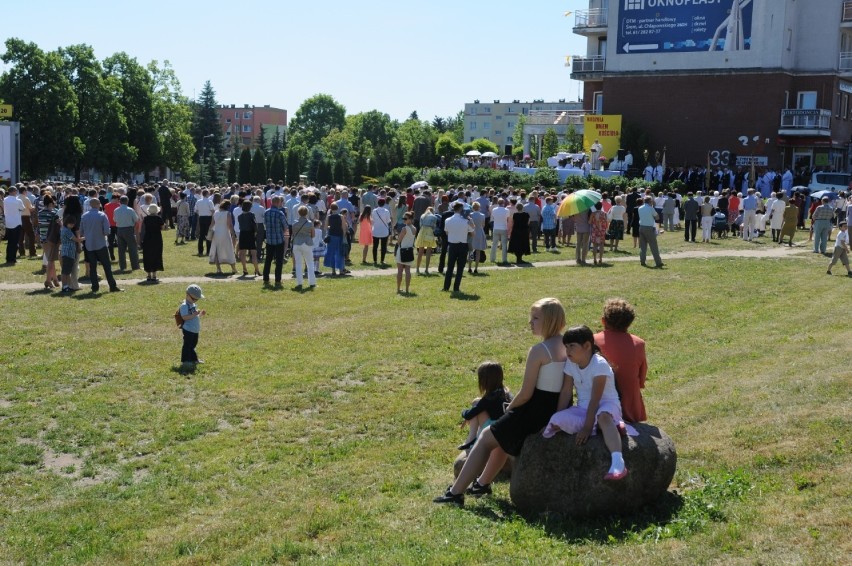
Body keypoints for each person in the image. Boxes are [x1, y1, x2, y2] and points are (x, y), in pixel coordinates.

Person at [434, 298, 566, 504]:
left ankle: (456, 492)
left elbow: (525, 393)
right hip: (553, 409)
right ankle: (481, 484)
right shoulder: (568, 345)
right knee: (500, 438)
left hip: (534, 411)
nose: (530, 322)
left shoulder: (540, 350)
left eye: (535, 318)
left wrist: (510, 409)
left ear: (549, 320)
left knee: (488, 436)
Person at [543, 325, 629, 481]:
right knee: (555, 422)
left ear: (587, 346)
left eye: (572, 346)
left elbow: (596, 400)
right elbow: (566, 392)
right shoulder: (570, 363)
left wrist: (587, 428)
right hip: (584, 409)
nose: (567, 350)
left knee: (603, 417)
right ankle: (611, 427)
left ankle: (618, 462)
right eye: (566, 346)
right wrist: (558, 415)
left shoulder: (599, 364)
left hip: (605, 405)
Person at [593, 298, 647, 423]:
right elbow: (641, 378)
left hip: (602, 401)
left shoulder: (592, 341)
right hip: (630, 405)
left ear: (603, 320)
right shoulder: (639, 343)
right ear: (630, 322)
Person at [457, 361, 513, 451]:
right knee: (476, 402)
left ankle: (471, 440)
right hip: (504, 426)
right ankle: (473, 438)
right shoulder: (506, 392)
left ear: (484, 381)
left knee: (476, 410)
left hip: (494, 428)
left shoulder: (489, 398)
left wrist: (463, 412)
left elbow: (469, 414)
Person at [79, 198, 122, 293]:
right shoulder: (102, 215)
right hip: (101, 244)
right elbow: (107, 231)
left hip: (89, 244)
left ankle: (95, 287)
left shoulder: (84, 216)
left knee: (92, 267)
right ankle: (112, 286)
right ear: (98, 204)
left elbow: (81, 231)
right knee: (107, 266)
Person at [442, 202, 474, 294]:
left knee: (450, 267)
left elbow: (447, 232)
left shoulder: (447, 220)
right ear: (461, 209)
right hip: (462, 245)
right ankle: (456, 288)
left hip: (452, 245)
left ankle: (446, 287)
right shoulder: (466, 221)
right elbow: (472, 233)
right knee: (460, 268)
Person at [179, 284, 206, 370]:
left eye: (197, 299)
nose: (195, 301)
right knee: (187, 345)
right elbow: (184, 317)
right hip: (188, 329)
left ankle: (194, 359)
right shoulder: (184, 306)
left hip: (194, 329)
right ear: (187, 295)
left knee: (193, 345)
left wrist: (200, 314)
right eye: (194, 299)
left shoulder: (193, 304)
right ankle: (186, 361)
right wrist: (194, 314)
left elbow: (194, 317)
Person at [38, 194, 61, 290]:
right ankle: (48, 280)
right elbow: (60, 224)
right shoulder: (54, 213)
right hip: (52, 238)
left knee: (50, 259)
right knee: (51, 261)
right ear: (51, 203)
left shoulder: (40, 212)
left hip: (43, 238)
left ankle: (55, 279)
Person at [263, 196, 287, 285]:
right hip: (279, 239)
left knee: (268, 260)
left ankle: (265, 278)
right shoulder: (280, 213)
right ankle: (277, 280)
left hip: (269, 239)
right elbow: (285, 226)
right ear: (278, 202)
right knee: (279, 261)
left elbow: (265, 223)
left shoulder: (266, 212)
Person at [209, 200, 237, 275]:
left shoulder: (215, 212)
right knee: (229, 249)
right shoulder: (227, 213)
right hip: (225, 233)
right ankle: (233, 268)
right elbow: (230, 225)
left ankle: (219, 269)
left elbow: (212, 224)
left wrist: (209, 233)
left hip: (216, 233)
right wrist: (233, 234)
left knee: (217, 250)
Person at [291, 205, 317, 288]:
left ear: (298, 213)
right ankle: (312, 283)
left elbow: (293, 234)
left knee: (298, 264)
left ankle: (299, 283)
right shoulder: (309, 223)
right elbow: (313, 235)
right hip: (307, 243)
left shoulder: (294, 223)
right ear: (307, 213)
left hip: (297, 243)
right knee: (310, 263)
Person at [113, 195, 140, 272]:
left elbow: (114, 220)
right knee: (132, 248)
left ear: (119, 201)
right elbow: (136, 219)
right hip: (129, 229)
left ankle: (122, 266)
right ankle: (135, 266)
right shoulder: (130, 210)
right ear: (127, 201)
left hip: (119, 230)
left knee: (121, 250)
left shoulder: (116, 210)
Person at [637, 196, 664, 268]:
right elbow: (657, 217)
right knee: (653, 245)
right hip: (649, 227)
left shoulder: (640, 208)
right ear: (650, 201)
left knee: (643, 246)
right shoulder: (651, 208)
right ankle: (658, 262)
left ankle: (642, 261)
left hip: (641, 227)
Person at [324, 202, 349, 277]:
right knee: (340, 253)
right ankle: (341, 270)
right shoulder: (341, 216)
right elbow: (344, 227)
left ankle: (333, 270)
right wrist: (344, 234)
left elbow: (325, 227)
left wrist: (330, 227)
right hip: (339, 236)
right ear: (337, 208)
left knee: (332, 253)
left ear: (331, 209)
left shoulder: (329, 216)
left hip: (331, 236)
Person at [59, 215, 83, 293]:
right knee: (65, 271)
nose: (72, 225)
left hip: (69, 252)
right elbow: (76, 240)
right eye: (71, 224)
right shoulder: (66, 231)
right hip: (68, 253)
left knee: (67, 271)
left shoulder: (65, 229)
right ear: (67, 223)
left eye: (73, 224)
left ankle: (66, 286)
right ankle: (64, 286)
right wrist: (84, 238)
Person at [394, 211, 417, 294]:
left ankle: (398, 288)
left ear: (410, 219)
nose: (404, 220)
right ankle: (407, 289)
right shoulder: (414, 228)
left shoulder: (404, 229)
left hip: (402, 250)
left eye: (405, 218)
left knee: (400, 270)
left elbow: (398, 241)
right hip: (410, 250)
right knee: (408, 270)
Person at [141, 204, 164, 282]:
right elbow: (162, 227)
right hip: (157, 238)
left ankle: (148, 275)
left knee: (147, 255)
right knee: (156, 255)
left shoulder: (146, 219)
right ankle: (154, 275)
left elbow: (143, 229)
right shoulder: (158, 218)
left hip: (147, 238)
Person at [237, 200, 260, 277]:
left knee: (242, 253)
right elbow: (255, 225)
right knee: (253, 253)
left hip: (242, 234)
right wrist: (255, 233)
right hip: (250, 234)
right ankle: (257, 269)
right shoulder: (251, 215)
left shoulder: (239, 216)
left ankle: (244, 269)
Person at [3, 186, 24, 265]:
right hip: (16, 222)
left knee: (10, 242)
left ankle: (8, 258)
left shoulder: (5, 200)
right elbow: (22, 208)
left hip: (8, 222)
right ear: (14, 191)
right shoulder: (18, 200)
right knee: (15, 242)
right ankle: (13, 258)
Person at [414, 207, 438, 275]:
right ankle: (426, 269)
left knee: (420, 252)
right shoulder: (434, 217)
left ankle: (417, 269)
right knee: (428, 252)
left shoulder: (422, 216)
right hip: (429, 232)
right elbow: (434, 227)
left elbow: (420, 225)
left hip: (422, 232)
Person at [371, 198, 392, 266]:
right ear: (384, 203)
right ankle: (382, 260)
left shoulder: (374, 211)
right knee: (383, 247)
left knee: (375, 246)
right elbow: (388, 221)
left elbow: (373, 219)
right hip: (384, 231)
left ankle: (375, 260)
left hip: (376, 230)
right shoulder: (386, 211)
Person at [468, 201, 487, 274]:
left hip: (472, 232)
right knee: (478, 251)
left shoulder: (470, 215)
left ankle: (469, 267)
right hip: (479, 232)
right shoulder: (482, 215)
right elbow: (483, 225)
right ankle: (476, 268)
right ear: (479, 207)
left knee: (470, 251)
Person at [490, 198, 510, 264]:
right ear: (503, 203)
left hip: (496, 227)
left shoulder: (494, 209)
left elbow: (493, 217)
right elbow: (507, 218)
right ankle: (504, 259)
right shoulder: (506, 210)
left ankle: (492, 258)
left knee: (494, 244)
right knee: (504, 244)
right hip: (504, 228)